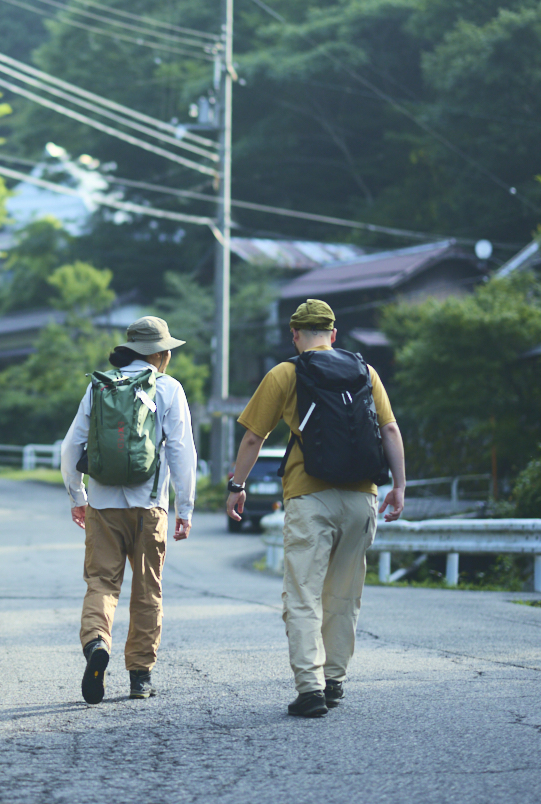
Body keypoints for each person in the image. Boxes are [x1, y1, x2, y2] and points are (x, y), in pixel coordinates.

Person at [225, 298, 405, 718]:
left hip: (310, 496)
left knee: (303, 594)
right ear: (334, 334)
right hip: (363, 498)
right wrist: (399, 485)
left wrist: (237, 485)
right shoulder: (367, 371)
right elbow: (390, 428)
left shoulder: (285, 373)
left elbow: (254, 438)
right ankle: (334, 680)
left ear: (295, 334)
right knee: (344, 594)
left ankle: (310, 689)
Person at [60, 315, 196, 703]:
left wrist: (77, 496)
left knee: (101, 583)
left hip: (103, 506)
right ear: (157, 354)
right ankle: (140, 676)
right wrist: (185, 507)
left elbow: (71, 448)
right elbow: (182, 450)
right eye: (167, 348)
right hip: (150, 507)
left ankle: (96, 643)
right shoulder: (169, 388)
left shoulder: (100, 385)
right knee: (147, 589)